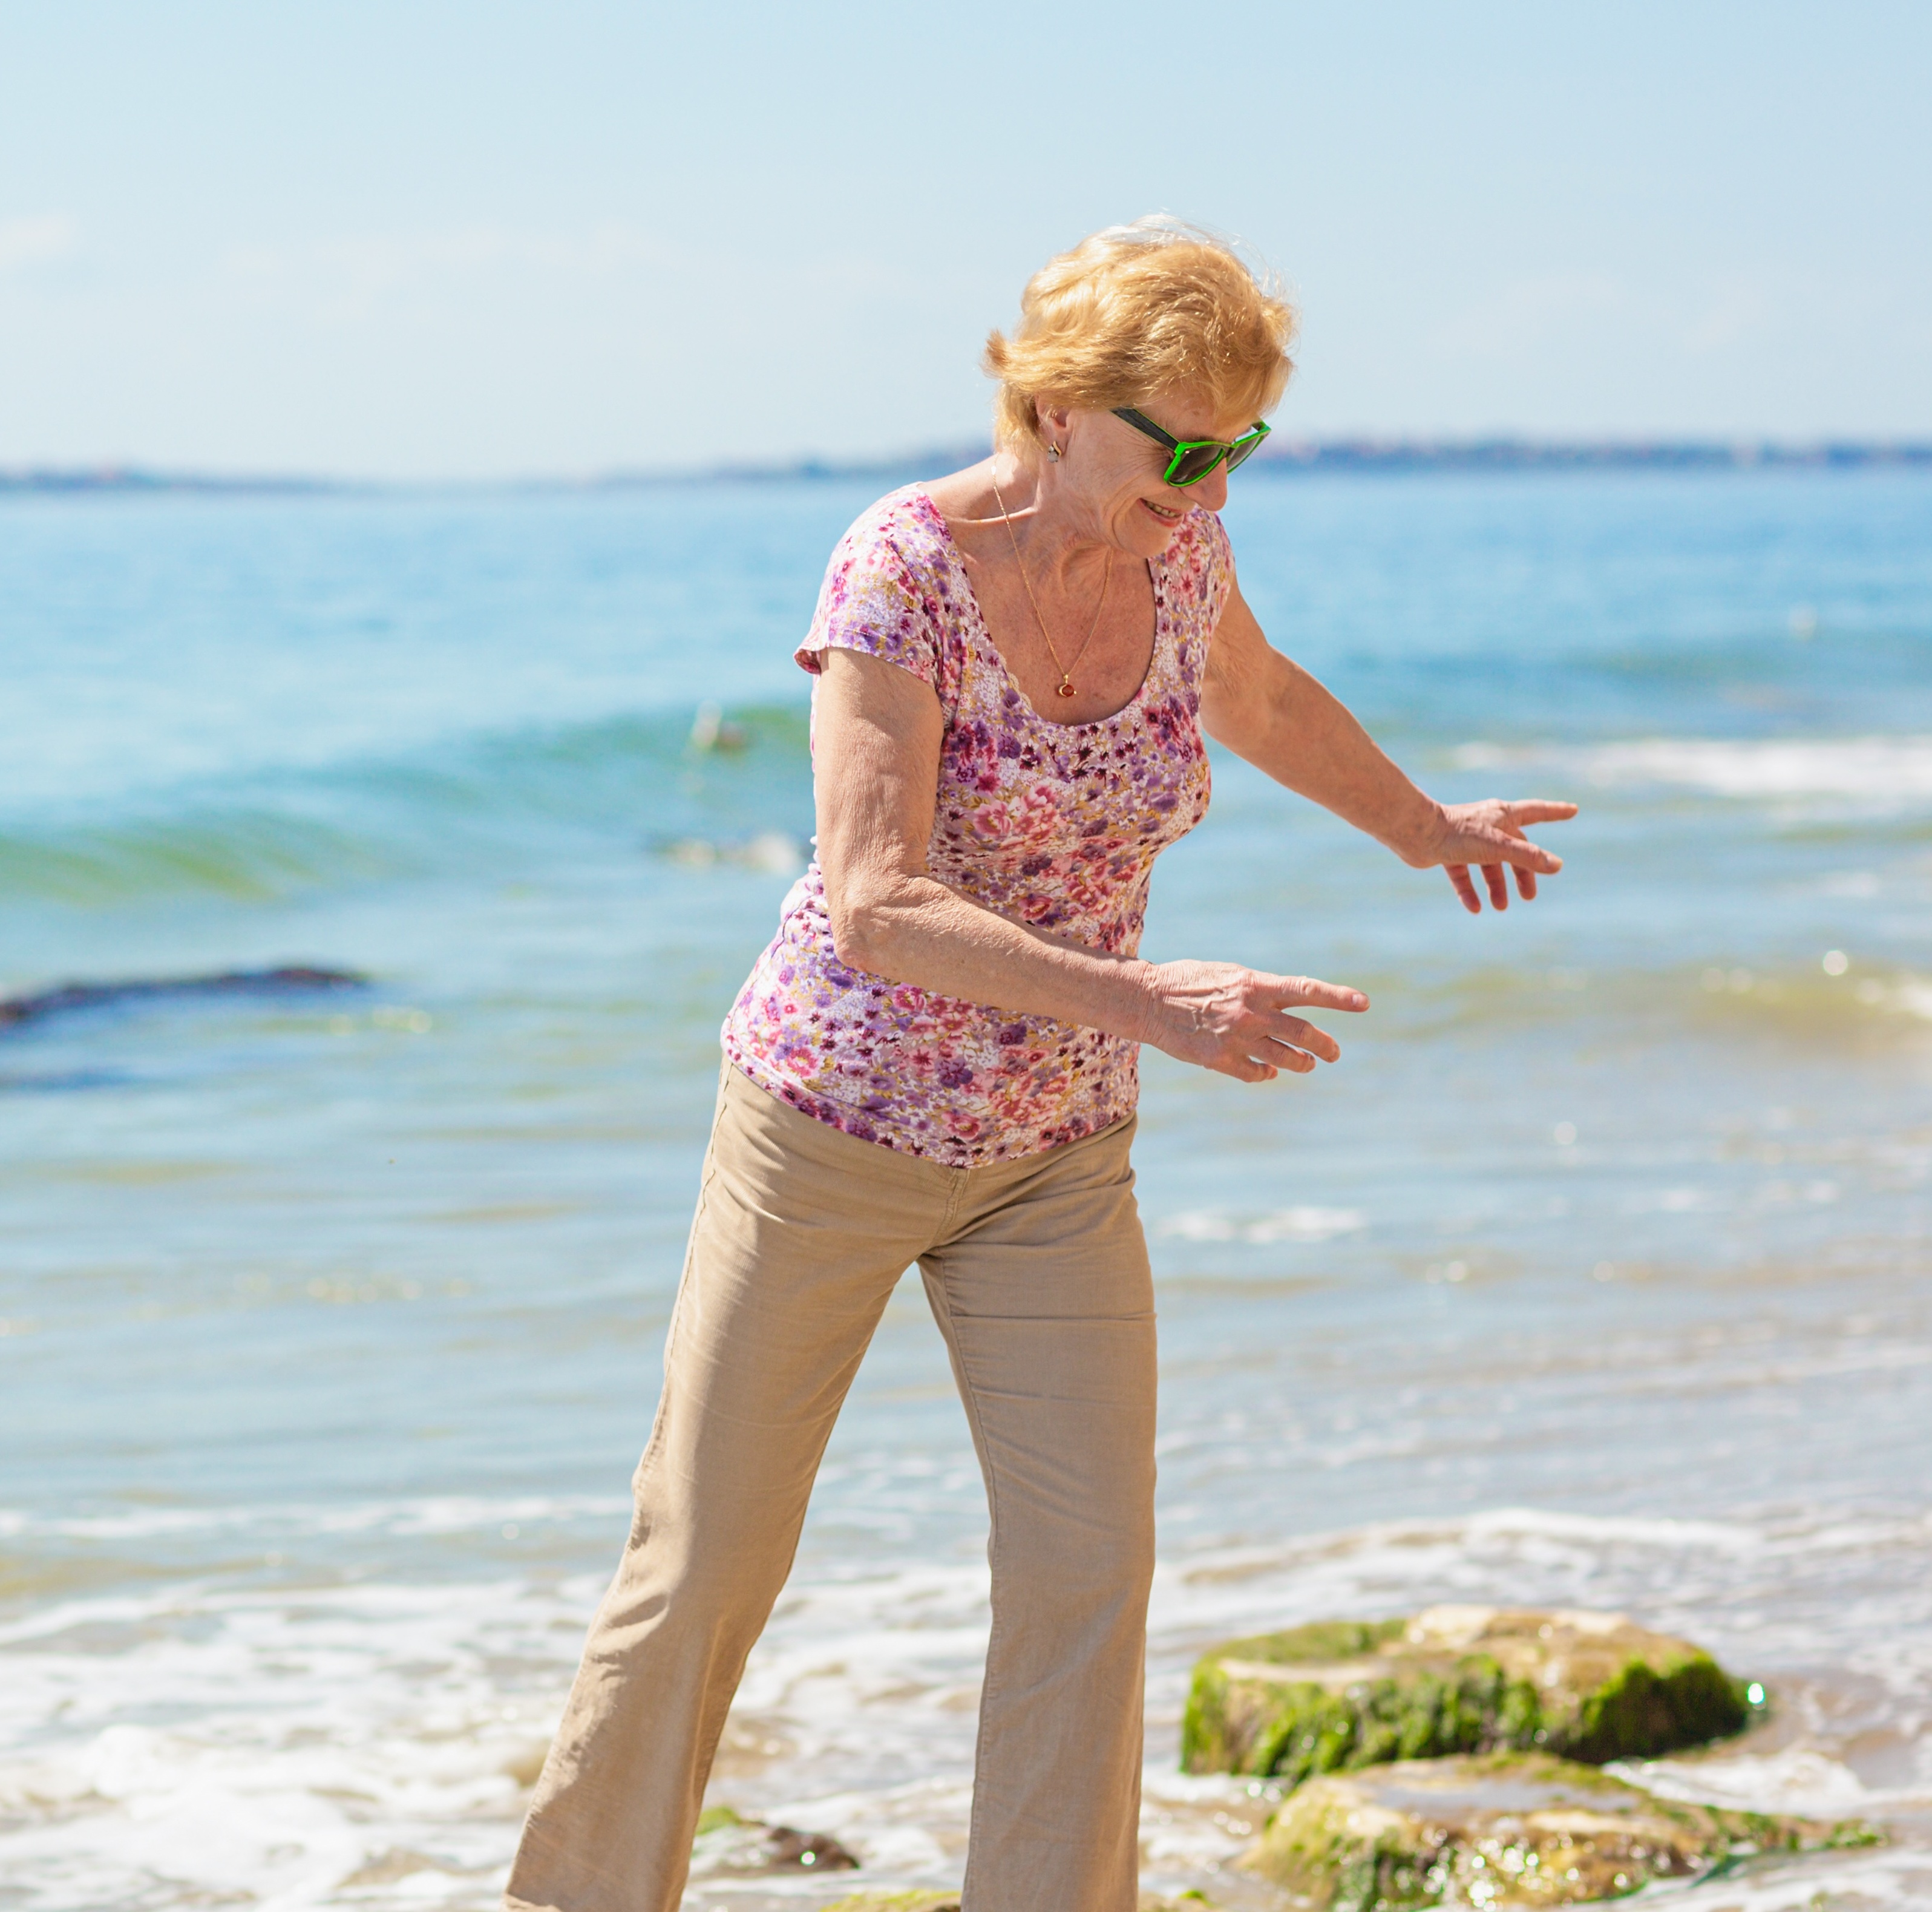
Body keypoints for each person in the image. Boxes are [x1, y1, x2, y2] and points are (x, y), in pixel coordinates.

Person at [504, 217, 1575, 1912]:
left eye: (1244, 449)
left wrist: (1421, 824)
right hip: (830, 1128)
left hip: (1055, 1151)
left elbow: (1266, 700)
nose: (1214, 491)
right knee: (704, 1561)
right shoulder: (899, 567)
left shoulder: (1177, 557)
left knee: (1085, 1575)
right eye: (1185, 450)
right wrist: (1152, 1000)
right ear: (1059, 406)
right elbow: (875, 904)